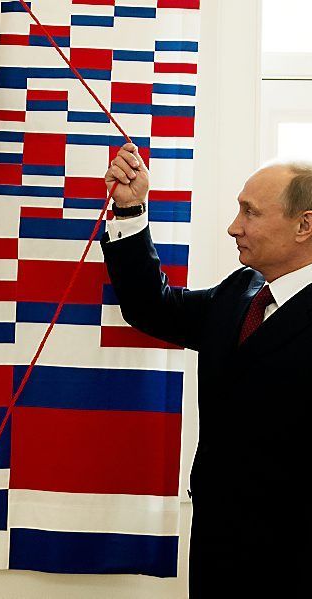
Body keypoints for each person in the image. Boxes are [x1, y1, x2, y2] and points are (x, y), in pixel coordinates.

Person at [101, 143, 312, 596]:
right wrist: (132, 208)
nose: (233, 227)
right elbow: (152, 308)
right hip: (218, 547)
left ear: (304, 225)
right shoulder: (243, 290)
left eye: (250, 213)